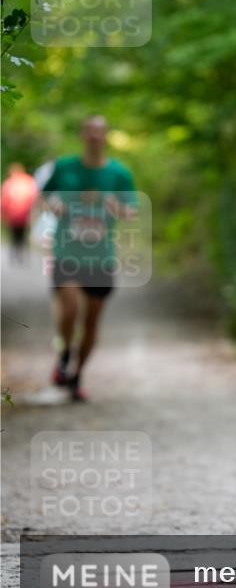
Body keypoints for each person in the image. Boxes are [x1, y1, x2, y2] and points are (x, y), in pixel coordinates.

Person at [40, 115, 138, 402]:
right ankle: (64, 355)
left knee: (92, 322)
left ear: (106, 136)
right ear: (83, 134)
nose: (95, 137)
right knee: (69, 310)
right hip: (67, 253)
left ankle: (77, 375)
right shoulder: (64, 167)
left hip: (100, 258)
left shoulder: (119, 173)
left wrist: (118, 208)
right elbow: (44, 197)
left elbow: (131, 210)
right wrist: (53, 204)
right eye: (90, 132)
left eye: (100, 132)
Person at [1, 163, 38, 261]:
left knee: (14, 234)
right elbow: (34, 197)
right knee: (23, 234)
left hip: (13, 214)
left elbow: (4, 200)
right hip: (26, 214)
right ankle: (20, 253)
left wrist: (3, 214)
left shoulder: (9, 183)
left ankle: (15, 253)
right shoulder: (29, 181)